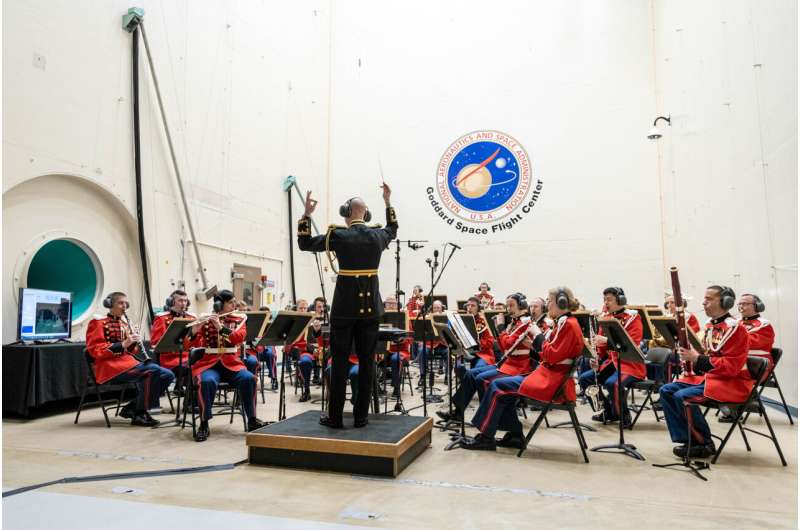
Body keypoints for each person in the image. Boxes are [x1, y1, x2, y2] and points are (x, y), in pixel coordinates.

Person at [297, 183, 397, 428]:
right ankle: (361, 417)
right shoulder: (378, 235)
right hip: (371, 309)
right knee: (367, 361)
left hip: (344, 308)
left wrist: (307, 215)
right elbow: (393, 228)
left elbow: (304, 244)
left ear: (346, 213)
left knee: (339, 362)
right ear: (365, 214)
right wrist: (387, 201)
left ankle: (335, 417)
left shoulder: (337, 235)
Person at [462, 287, 584, 450]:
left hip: (552, 383)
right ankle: (514, 435)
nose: (547, 305)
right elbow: (549, 355)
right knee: (499, 387)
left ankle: (486, 437)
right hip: (548, 375)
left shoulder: (568, 324)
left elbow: (552, 356)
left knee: (497, 386)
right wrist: (534, 345)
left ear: (562, 302)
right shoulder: (564, 323)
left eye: (550, 301)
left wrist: (538, 336)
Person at [659, 285, 753, 458]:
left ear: (726, 302)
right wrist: (688, 357)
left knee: (683, 397)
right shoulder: (711, 326)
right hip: (712, 379)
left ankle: (704, 443)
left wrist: (697, 359)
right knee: (666, 390)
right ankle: (688, 439)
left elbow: (731, 368)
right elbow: (706, 355)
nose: (703, 303)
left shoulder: (735, 329)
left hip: (731, 384)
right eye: (704, 298)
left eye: (709, 299)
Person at [86, 292, 175, 427]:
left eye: (126, 304)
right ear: (109, 304)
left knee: (168, 375)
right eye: (121, 303)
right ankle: (140, 414)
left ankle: (132, 408)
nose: (124, 307)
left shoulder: (124, 323)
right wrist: (122, 344)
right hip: (109, 368)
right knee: (151, 372)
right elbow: (95, 350)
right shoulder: (98, 322)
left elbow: (131, 351)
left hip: (127, 363)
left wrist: (133, 342)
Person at [188, 290, 265, 441]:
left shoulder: (240, 318)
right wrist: (195, 329)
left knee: (249, 378)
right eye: (230, 302)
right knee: (206, 382)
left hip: (232, 364)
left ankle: (252, 420)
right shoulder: (206, 318)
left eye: (234, 302)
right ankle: (204, 423)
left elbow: (237, 339)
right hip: (209, 364)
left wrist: (220, 327)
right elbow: (188, 343)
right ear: (219, 304)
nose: (234, 305)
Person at [586, 287, 643, 426]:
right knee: (584, 379)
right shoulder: (606, 317)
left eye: (609, 299)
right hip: (611, 362)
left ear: (620, 300)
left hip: (630, 364)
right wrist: (596, 358)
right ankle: (608, 410)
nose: (606, 303)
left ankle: (623, 415)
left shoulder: (632, 318)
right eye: (604, 299)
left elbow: (631, 344)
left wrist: (606, 341)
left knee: (613, 383)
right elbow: (602, 348)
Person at [151, 289, 195, 384]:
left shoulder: (192, 318)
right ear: (171, 302)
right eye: (180, 300)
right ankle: (187, 393)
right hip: (171, 359)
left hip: (189, 357)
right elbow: (156, 342)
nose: (183, 303)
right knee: (193, 368)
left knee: (203, 366)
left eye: (185, 301)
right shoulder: (161, 318)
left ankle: (192, 396)